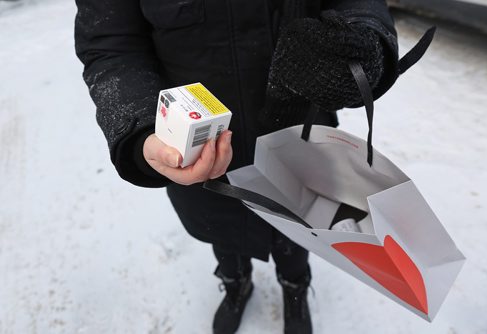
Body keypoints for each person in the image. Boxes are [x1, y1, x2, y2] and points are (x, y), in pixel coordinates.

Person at [74, 1, 399, 333]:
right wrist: (143, 127)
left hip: (300, 135)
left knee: (300, 231)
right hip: (199, 153)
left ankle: (295, 286)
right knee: (223, 234)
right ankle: (235, 282)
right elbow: (111, 46)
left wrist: (365, 36)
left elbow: (360, 4)